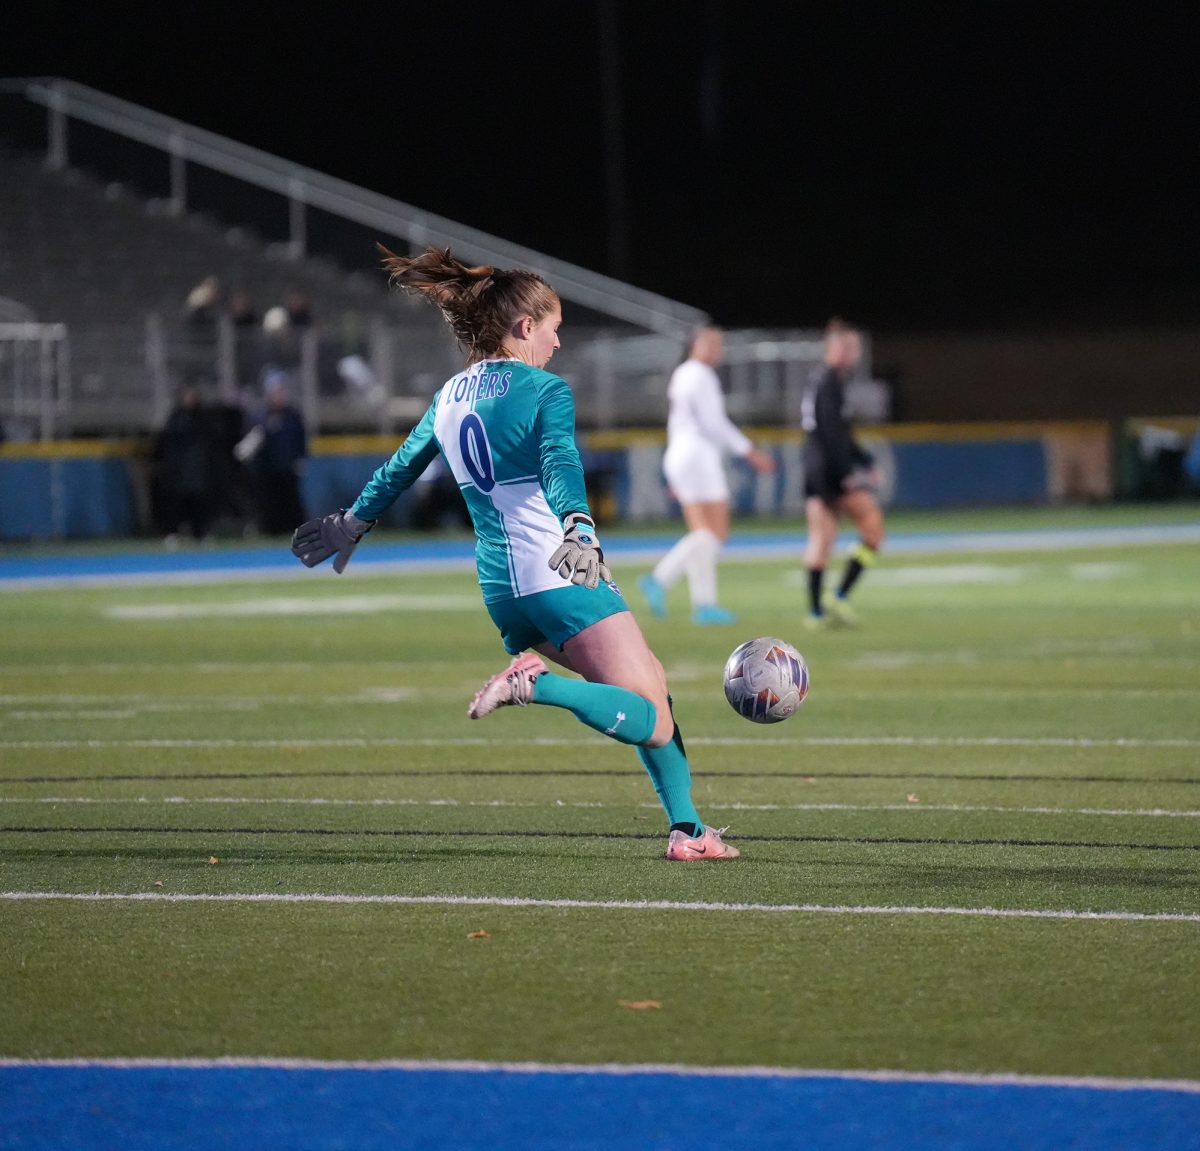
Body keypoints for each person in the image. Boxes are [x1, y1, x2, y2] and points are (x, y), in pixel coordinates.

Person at [291, 245, 738, 862]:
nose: (556, 344)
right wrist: (581, 528)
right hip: (557, 571)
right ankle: (535, 686)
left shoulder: (450, 395)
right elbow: (559, 462)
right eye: (552, 330)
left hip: (501, 589)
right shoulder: (543, 389)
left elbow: (400, 468)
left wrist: (351, 523)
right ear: (525, 327)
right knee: (653, 717)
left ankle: (688, 831)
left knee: (650, 687)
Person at [637, 325, 775, 625]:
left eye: (719, 343)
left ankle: (704, 604)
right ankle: (659, 579)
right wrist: (749, 451)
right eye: (711, 342)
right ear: (694, 344)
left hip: (681, 454)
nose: (717, 349)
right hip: (698, 456)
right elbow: (714, 423)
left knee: (702, 532)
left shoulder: (682, 373)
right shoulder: (700, 375)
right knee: (715, 533)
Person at [800, 318, 886, 628]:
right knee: (873, 529)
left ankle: (815, 611)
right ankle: (838, 595)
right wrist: (848, 471)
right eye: (850, 347)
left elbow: (836, 433)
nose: (855, 354)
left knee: (821, 540)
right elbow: (831, 433)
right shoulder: (829, 382)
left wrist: (864, 459)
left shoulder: (823, 379)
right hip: (829, 471)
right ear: (835, 348)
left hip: (816, 468)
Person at [241, 375, 308, 535]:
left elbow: (300, 439)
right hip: (267, 469)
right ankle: (270, 531)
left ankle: (294, 530)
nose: (280, 396)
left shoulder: (292, 416)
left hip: (288, 468)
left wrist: (301, 459)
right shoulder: (261, 417)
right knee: (269, 503)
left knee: (291, 502)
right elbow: (251, 443)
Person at [152, 384, 218, 545]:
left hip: (196, 469)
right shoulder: (175, 418)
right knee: (176, 502)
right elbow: (166, 442)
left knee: (198, 502)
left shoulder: (202, 418)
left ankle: (201, 533)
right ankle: (172, 532)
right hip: (179, 470)